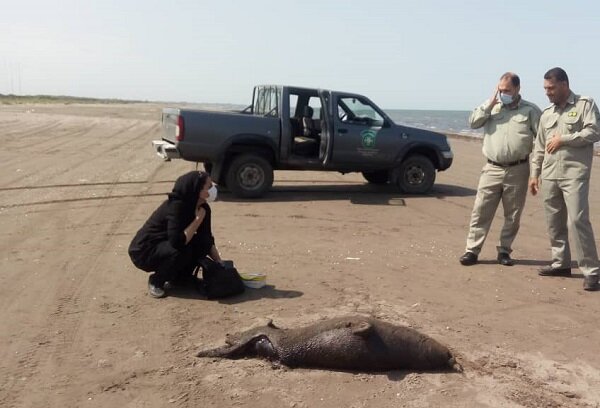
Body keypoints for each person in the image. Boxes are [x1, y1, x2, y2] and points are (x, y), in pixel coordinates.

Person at [529, 67, 600, 291]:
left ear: (564, 85)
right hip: (550, 174)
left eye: (551, 88)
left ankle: (591, 271)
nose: (547, 92)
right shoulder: (547, 113)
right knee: (554, 220)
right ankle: (560, 263)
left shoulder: (584, 104)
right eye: (545, 89)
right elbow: (539, 147)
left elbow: (594, 131)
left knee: (577, 220)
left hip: (574, 173)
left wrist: (564, 139)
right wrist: (534, 174)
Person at [460, 72, 541, 266]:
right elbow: (472, 123)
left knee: (512, 214)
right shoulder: (491, 107)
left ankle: (504, 251)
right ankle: (472, 250)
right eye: (500, 89)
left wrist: (537, 172)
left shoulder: (530, 111)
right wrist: (489, 103)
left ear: (517, 89)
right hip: (492, 168)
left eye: (507, 90)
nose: (503, 93)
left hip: (518, 169)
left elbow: (541, 140)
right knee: (481, 210)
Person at [128, 171, 223, 298]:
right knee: (180, 250)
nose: (213, 189)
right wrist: (198, 219)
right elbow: (177, 242)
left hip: (167, 245)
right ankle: (156, 281)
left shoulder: (203, 208)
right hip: (145, 250)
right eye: (209, 186)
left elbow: (206, 238)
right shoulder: (176, 207)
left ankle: (181, 278)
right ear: (197, 190)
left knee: (202, 243)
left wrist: (219, 262)